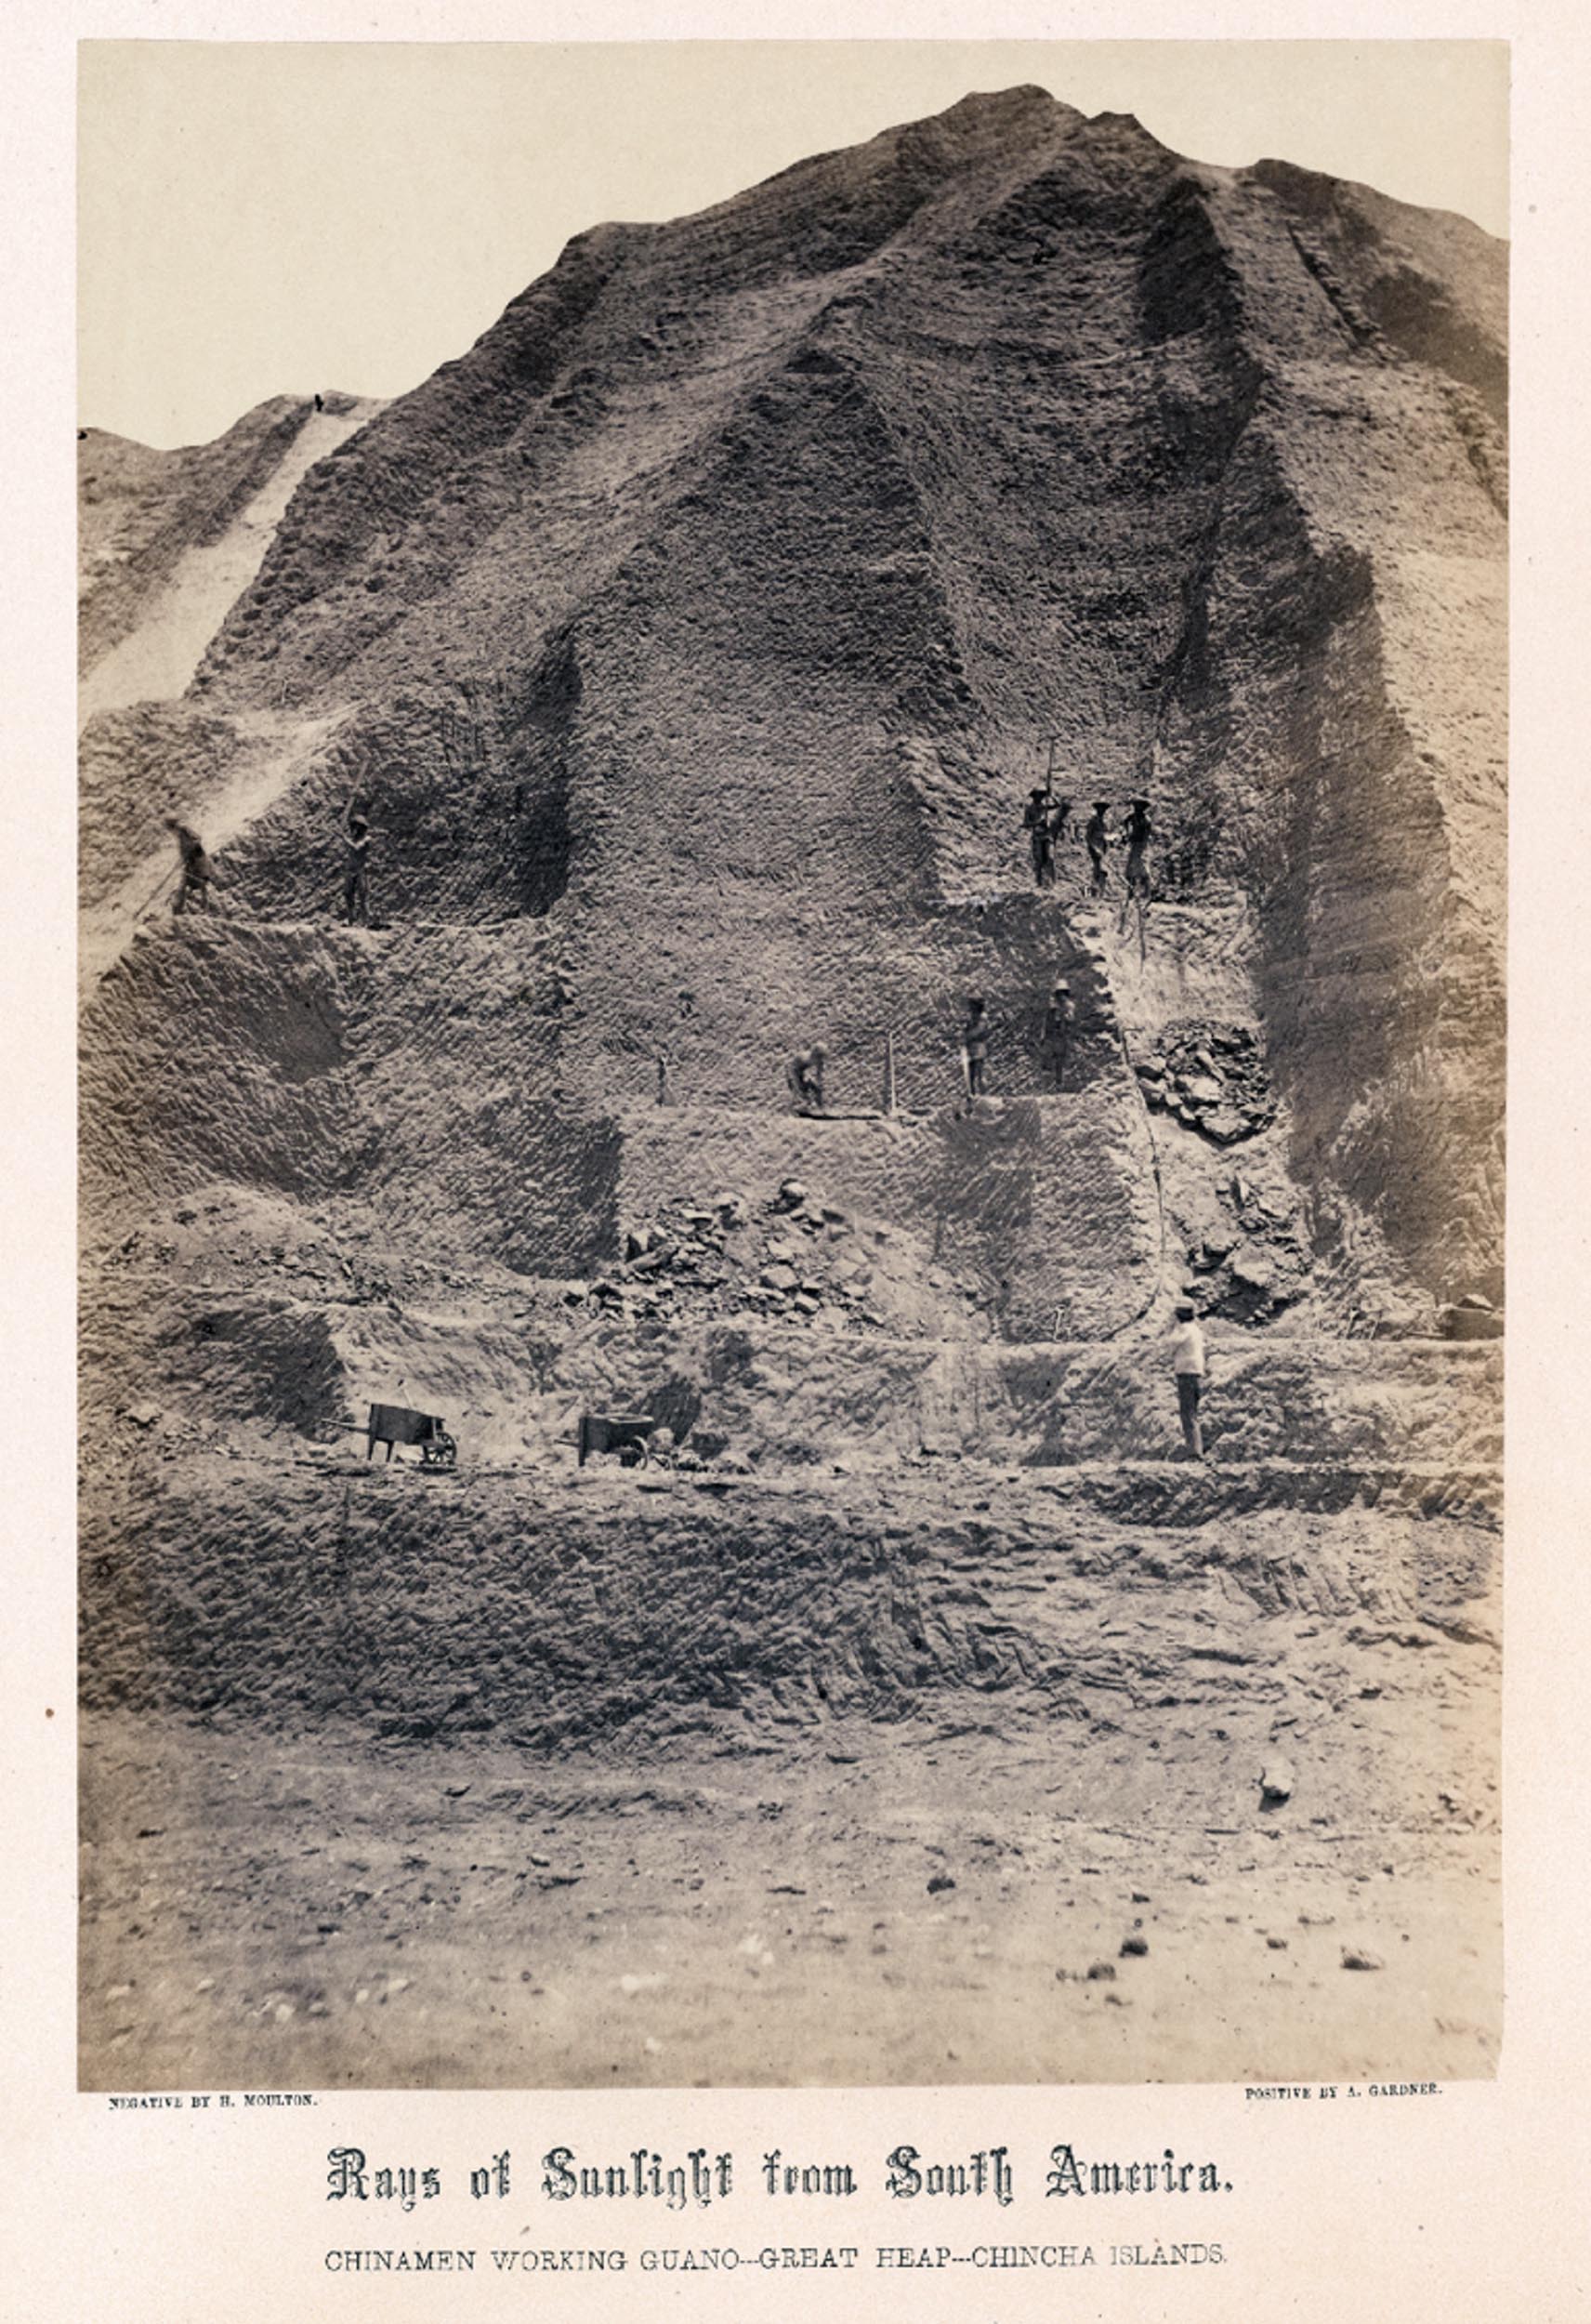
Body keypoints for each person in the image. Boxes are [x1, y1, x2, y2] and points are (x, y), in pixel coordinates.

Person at [1169, 1300, 1207, 1459]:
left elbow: (1170, 1345)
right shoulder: (1196, 1330)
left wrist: (1173, 1326)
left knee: (1188, 1413)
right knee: (1192, 1412)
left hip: (1187, 1374)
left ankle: (1194, 1452)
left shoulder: (1184, 1330)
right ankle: (1195, 1450)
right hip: (1196, 1373)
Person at [165, 818, 216, 914]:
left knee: (192, 883)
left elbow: (197, 838)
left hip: (196, 860)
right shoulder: (181, 834)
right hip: (192, 862)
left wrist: (190, 851)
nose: (172, 832)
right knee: (186, 883)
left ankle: (182, 906)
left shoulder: (184, 831)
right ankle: (178, 906)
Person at [341, 799, 373, 926]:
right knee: (348, 895)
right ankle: (351, 919)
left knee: (363, 896)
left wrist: (343, 838)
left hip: (360, 871)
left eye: (356, 826)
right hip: (350, 871)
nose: (354, 829)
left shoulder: (366, 839)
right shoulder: (352, 838)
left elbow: (356, 848)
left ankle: (365, 921)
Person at [1042, 980, 1075, 1089]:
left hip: (1062, 1036)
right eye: (1059, 993)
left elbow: (1071, 1019)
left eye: (1063, 993)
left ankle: (1059, 1083)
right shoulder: (1052, 1007)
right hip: (1052, 1036)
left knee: (1060, 1060)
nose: (1061, 996)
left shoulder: (1069, 1006)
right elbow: (1046, 1021)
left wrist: (1064, 1016)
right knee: (1048, 1057)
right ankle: (1047, 1083)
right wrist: (1043, 1035)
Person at [1022, 787, 1056, 888]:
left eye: (1041, 796)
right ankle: (1039, 883)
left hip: (1047, 835)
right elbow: (1026, 824)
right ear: (1033, 797)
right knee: (1039, 861)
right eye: (1038, 796)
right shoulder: (1029, 809)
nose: (1040, 798)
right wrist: (1037, 823)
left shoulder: (1043, 807)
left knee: (1050, 858)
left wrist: (1051, 796)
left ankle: (1052, 882)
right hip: (1037, 836)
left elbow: (1057, 805)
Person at [961, 997, 990, 1100]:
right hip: (972, 1046)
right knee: (971, 1073)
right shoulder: (972, 1017)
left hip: (978, 1046)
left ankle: (984, 1096)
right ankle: (972, 1095)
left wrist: (967, 1036)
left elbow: (979, 1030)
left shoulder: (982, 1017)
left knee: (979, 1071)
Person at [787, 1043, 827, 1113]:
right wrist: (797, 1082)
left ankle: (820, 1109)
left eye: (822, 1056)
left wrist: (819, 1084)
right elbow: (792, 1068)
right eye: (820, 1055)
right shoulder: (804, 1056)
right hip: (794, 1072)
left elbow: (818, 1073)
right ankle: (790, 1110)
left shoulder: (819, 1061)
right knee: (797, 1090)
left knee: (817, 1090)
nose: (821, 1058)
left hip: (802, 1073)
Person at [1085, 801, 1111, 895]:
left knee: (1102, 870)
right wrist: (1094, 848)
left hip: (1103, 847)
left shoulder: (1105, 821)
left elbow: (1106, 834)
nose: (1102, 811)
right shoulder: (1093, 821)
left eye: (1104, 809)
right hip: (1095, 847)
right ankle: (1095, 892)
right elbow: (1088, 837)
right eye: (1100, 808)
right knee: (1098, 869)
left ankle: (1101, 892)